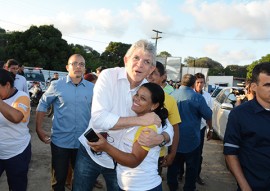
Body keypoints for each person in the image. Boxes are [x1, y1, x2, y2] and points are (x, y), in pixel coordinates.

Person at [73, 39, 174, 191]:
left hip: (119, 161)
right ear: (126, 60)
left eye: (146, 62)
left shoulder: (148, 89)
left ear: (151, 69)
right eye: (136, 58)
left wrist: (162, 138)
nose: (140, 64)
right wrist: (140, 120)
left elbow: (167, 124)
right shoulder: (108, 76)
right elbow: (99, 119)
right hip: (91, 152)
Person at [90, 82, 169, 190]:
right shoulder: (138, 119)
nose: (136, 99)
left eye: (143, 98)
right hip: (129, 185)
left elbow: (134, 160)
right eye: (137, 94)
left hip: (143, 187)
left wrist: (106, 147)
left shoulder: (148, 128)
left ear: (154, 105)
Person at [35, 54, 94, 191]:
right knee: (59, 179)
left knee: (81, 180)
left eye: (81, 64)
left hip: (83, 142)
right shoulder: (56, 85)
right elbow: (42, 105)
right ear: (67, 67)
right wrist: (38, 129)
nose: (78, 66)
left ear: (85, 68)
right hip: (60, 142)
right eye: (74, 63)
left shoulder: (92, 88)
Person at [223, 62, 270, 190]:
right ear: (254, 87)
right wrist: (244, 187)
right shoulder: (239, 114)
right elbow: (230, 153)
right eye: (268, 85)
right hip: (254, 186)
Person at [167, 74, 212, 191]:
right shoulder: (197, 98)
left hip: (174, 140)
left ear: (181, 82)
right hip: (192, 140)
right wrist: (210, 129)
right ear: (193, 84)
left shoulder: (171, 95)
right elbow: (208, 115)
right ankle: (189, 188)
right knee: (192, 168)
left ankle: (173, 187)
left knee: (172, 166)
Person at [147, 61, 181, 175]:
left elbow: (175, 128)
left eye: (154, 73)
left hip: (157, 154)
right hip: (131, 151)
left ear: (163, 77)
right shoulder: (134, 95)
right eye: (148, 72)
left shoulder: (170, 100)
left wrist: (172, 154)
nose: (149, 76)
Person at [0, 69, 31, 191]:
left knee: (17, 186)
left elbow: (16, 117)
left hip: (17, 152)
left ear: (7, 85)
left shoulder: (22, 97)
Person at [194, 72, 213, 185]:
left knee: (198, 154)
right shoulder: (189, 94)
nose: (200, 85)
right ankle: (180, 173)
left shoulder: (207, 96)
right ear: (194, 83)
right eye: (197, 82)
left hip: (201, 128)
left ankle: (196, 175)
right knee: (183, 152)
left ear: (205, 83)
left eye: (202, 82)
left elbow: (209, 114)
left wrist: (210, 129)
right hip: (189, 128)